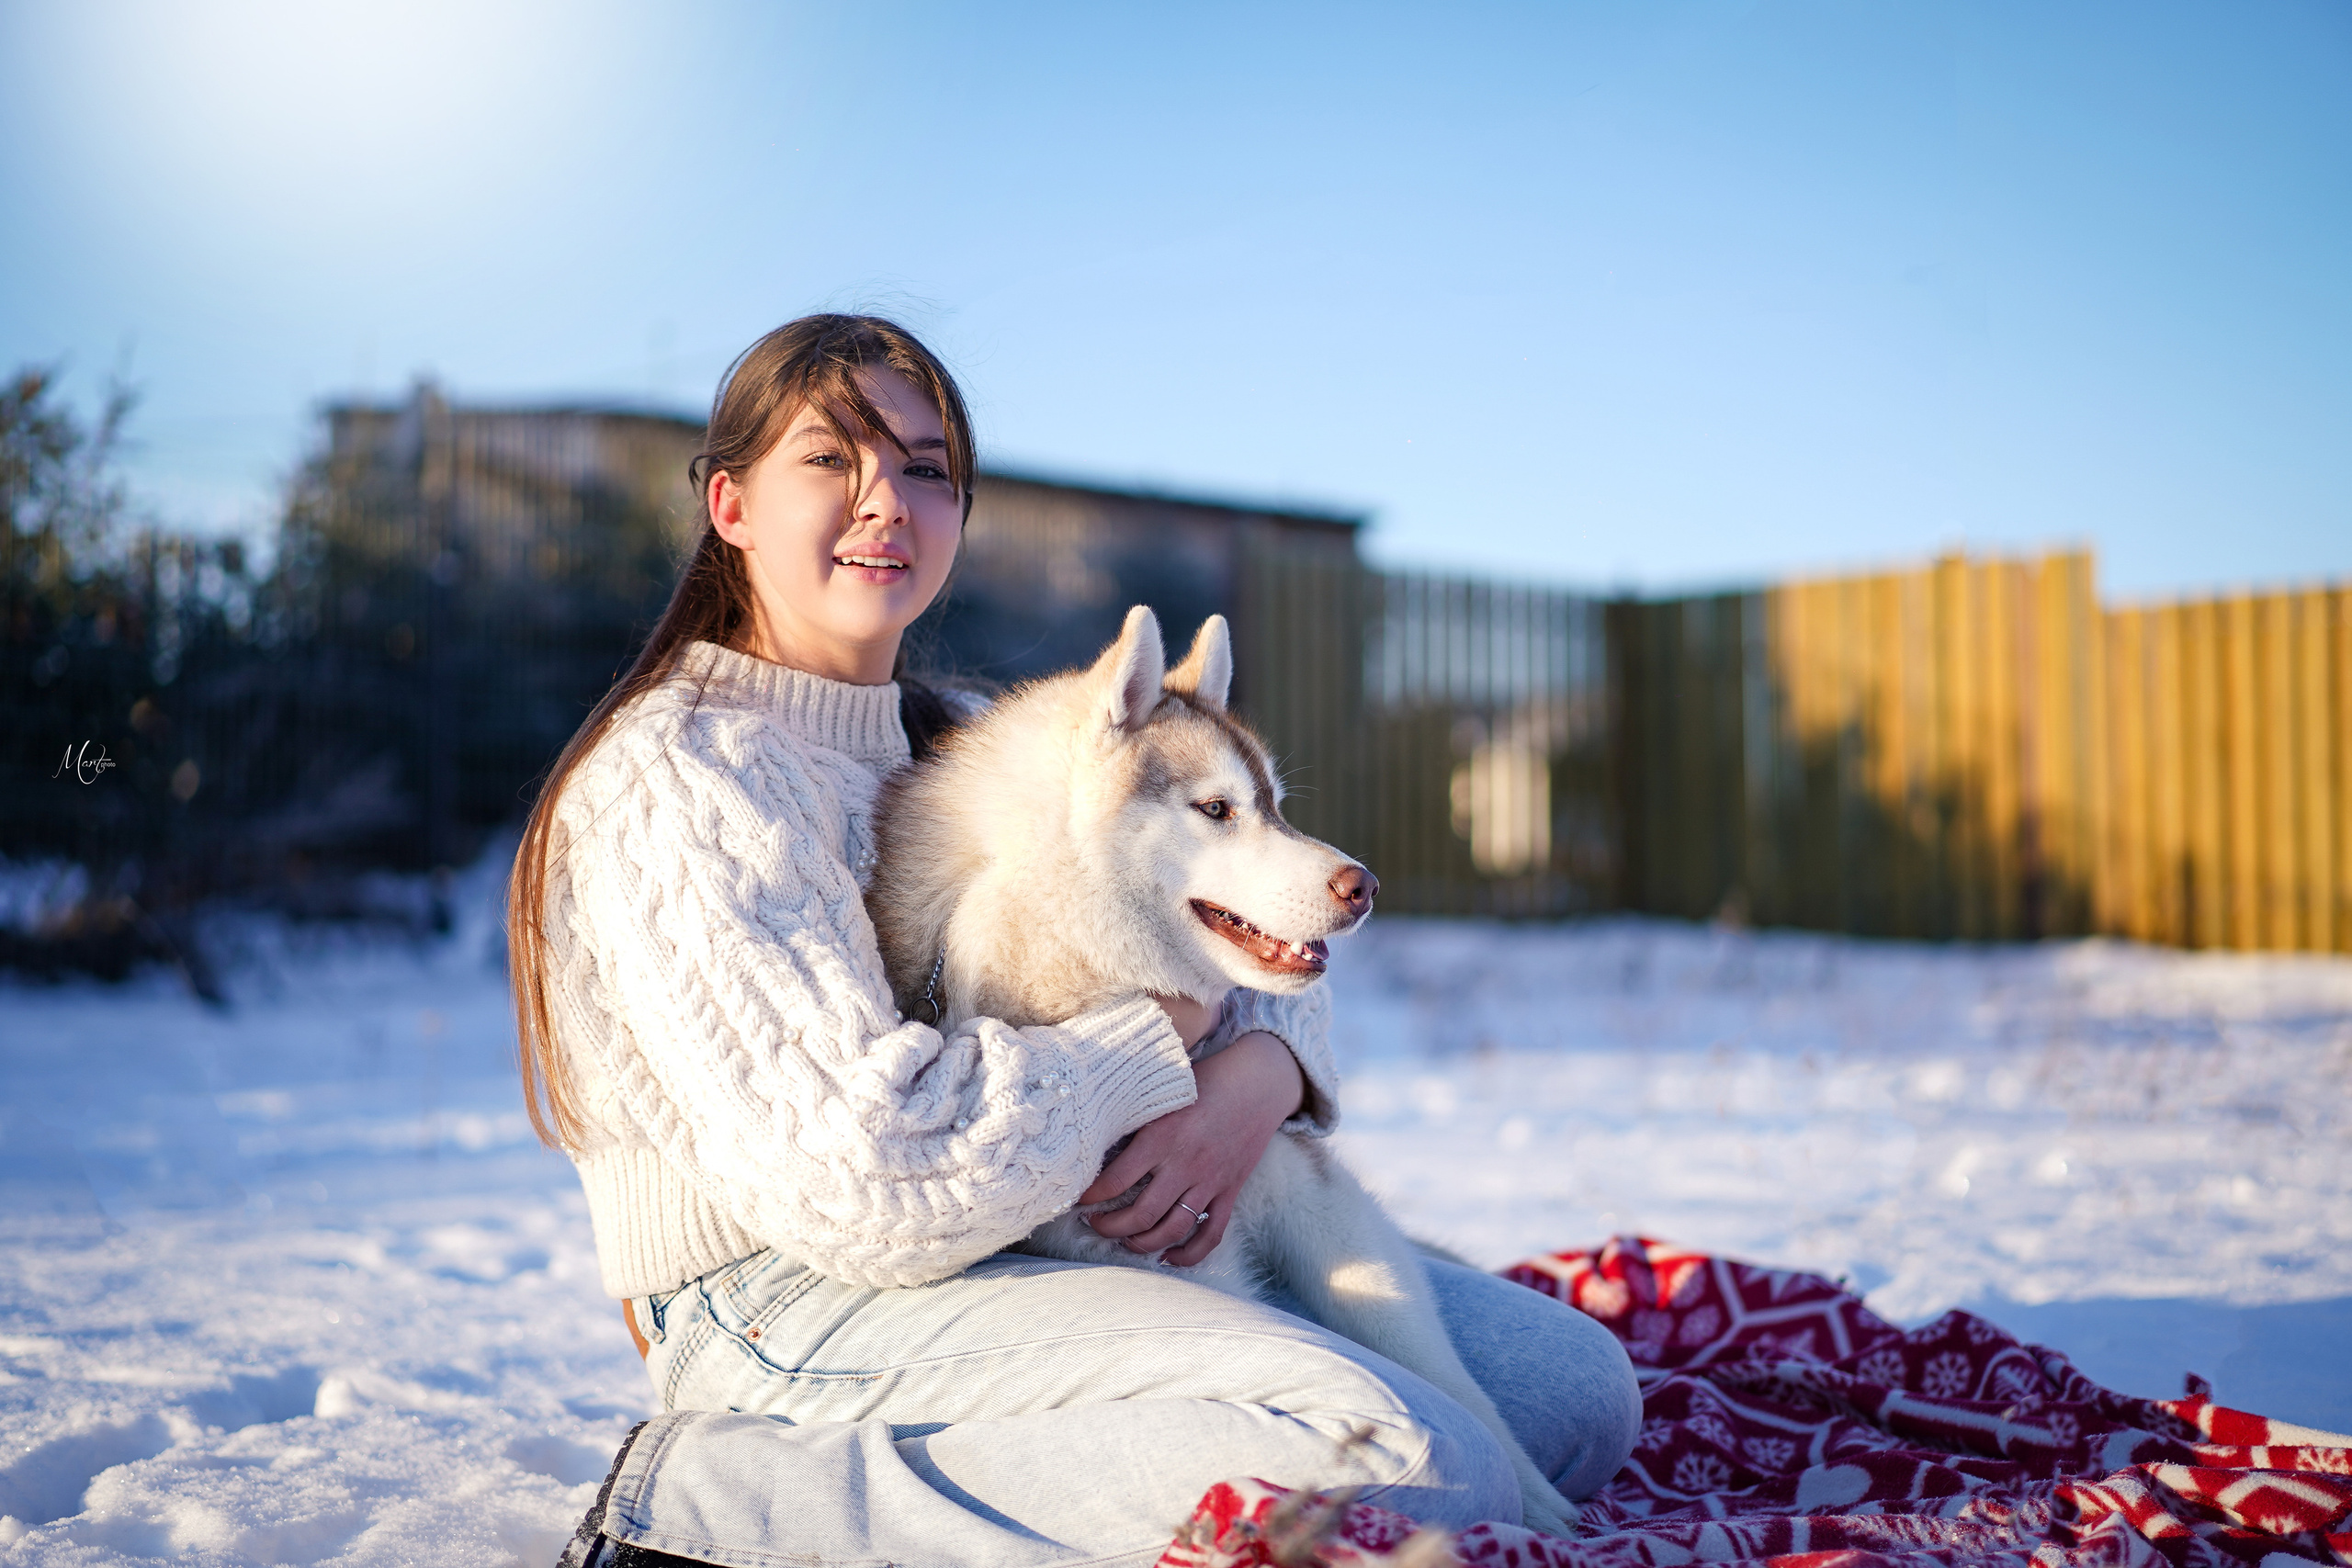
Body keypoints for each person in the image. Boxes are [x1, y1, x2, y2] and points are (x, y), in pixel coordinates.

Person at [511, 314, 1640, 1568]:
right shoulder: (688, 777)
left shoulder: (977, 736)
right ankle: (719, 1497)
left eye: (928, 469)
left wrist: (1249, 1084)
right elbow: (868, 1181)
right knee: (1414, 1463)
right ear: (730, 505)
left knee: (1575, 1396)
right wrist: (1154, 1048)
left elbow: (1236, 936)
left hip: (1010, 1232)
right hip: (790, 1299)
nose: (887, 500)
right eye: (831, 460)